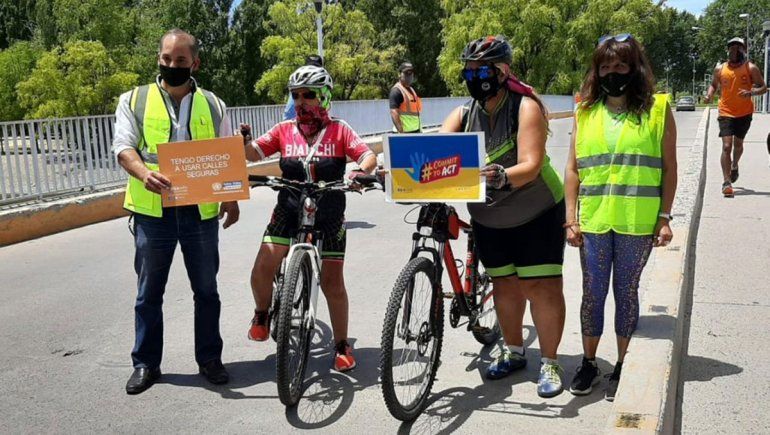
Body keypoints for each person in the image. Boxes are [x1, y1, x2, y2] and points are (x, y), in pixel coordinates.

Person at [112, 29, 240, 395]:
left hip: (199, 214)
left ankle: (210, 359)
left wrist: (230, 199)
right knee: (149, 293)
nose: (172, 66)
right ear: (159, 58)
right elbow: (123, 147)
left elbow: (225, 156)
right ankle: (145, 364)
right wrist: (142, 172)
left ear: (194, 63)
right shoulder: (134, 100)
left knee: (207, 291)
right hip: (154, 213)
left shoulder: (213, 104)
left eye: (180, 61)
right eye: (167, 59)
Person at [440, 36, 567, 398]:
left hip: (536, 210)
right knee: (506, 287)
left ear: (503, 71)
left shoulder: (524, 107)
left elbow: (530, 164)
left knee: (540, 287)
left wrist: (499, 175)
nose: (474, 76)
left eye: (482, 70)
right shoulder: (463, 114)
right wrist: (397, 168)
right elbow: (437, 150)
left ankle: (551, 362)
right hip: (489, 217)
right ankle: (513, 351)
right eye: (468, 70)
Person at [241, 65, 377, 372]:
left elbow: (368, 155)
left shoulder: (340, 130)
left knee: (332, 283)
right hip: (288, 207)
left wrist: (361, 172)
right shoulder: (283, 130)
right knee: (262, 268)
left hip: (329, 212)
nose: (301, 102)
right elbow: (254, 154)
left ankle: (341, 345)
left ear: (325, 97)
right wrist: (244, 142)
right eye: (296, 95)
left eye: (309, 95)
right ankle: (262, 314)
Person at [564, 33, 677, 401]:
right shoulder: (584, 111)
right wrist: (571, 217)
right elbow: (573, 170)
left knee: (625, 292)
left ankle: (623, 365)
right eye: (606, 65)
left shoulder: (658, 109)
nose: (614, 71)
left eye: (622, 65)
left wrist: (664, 216)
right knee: (592, 293)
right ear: (597, 71)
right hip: (593, 221)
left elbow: (669, 167)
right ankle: (589, 362)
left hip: (636, 222)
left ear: (635, 68)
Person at [705, 37, 767, 197]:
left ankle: (734, 165)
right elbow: (713, 84)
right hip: (725, 112)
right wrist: (709, 95)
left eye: (738, 48)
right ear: (728, 51)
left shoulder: (751, 68)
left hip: (744, 113)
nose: (734, 51)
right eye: (731, 48)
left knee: (738, 145)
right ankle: (726, 182)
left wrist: (751, 92)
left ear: (743, 51)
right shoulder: (720, 69)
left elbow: (764, 87)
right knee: (727, 146)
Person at [283, 54, 324, 120]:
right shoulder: (297, 86)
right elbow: (288, 115)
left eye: (309, 95)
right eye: (295, 95)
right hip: (296, 124)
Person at [389, 62, 423, 133]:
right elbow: (394, 112)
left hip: (415, 131)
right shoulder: (396, 91)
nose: (409, 76)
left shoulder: (412, 90)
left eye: (411, 73)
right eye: (406, 73)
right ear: (399, 74)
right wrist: (402, 134)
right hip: (405, 133)